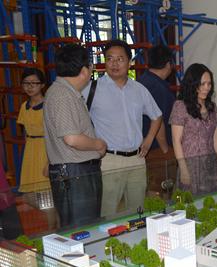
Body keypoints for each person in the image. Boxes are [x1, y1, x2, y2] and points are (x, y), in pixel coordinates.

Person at [84, 40, 162, 217]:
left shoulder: (139, 89)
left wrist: (149, 140)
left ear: (130, 62)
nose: (114, 64)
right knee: (108, 213)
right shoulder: (91, 89)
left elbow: (157, 116)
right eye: (109, 59)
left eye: (120, 59)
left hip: (137, 159)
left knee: (138, 212)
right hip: (108, 160)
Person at [44, 43, 106, 228]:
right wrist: (99, 145)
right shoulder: (63, 95)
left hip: (76, 172)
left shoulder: (65, 92)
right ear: (84, 70)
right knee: (81, 229)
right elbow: (71, 138)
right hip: (75, 173)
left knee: (85, 226)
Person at [170, 63, 217, 195]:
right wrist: (183, 169)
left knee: (213, 201)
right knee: (191, 203)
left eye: (209, 84)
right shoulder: (180, 106)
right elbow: (176, 141)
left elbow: (215, 136)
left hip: (211, 164)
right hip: (190, 164)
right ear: (192, 84)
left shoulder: (212, 107)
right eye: (202, 84)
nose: (206, 88)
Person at [138, 44, 175, 193]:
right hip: (156, 149)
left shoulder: (141, 81)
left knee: (150, 191)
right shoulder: (158, 88)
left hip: (143, 148)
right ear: (168, 64)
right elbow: (158, 121)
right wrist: (165, 150)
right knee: (161, 192)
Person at [16, 68, 50, 194]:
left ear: (42, 85)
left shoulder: (48, 105)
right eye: (26, 83)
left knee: (45, 191)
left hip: (45, 150)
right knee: (30, 193)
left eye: (34, 83)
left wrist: (50, 161)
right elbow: (25, 132)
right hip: (30, 150)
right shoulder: (23, 106)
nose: (29, 87)